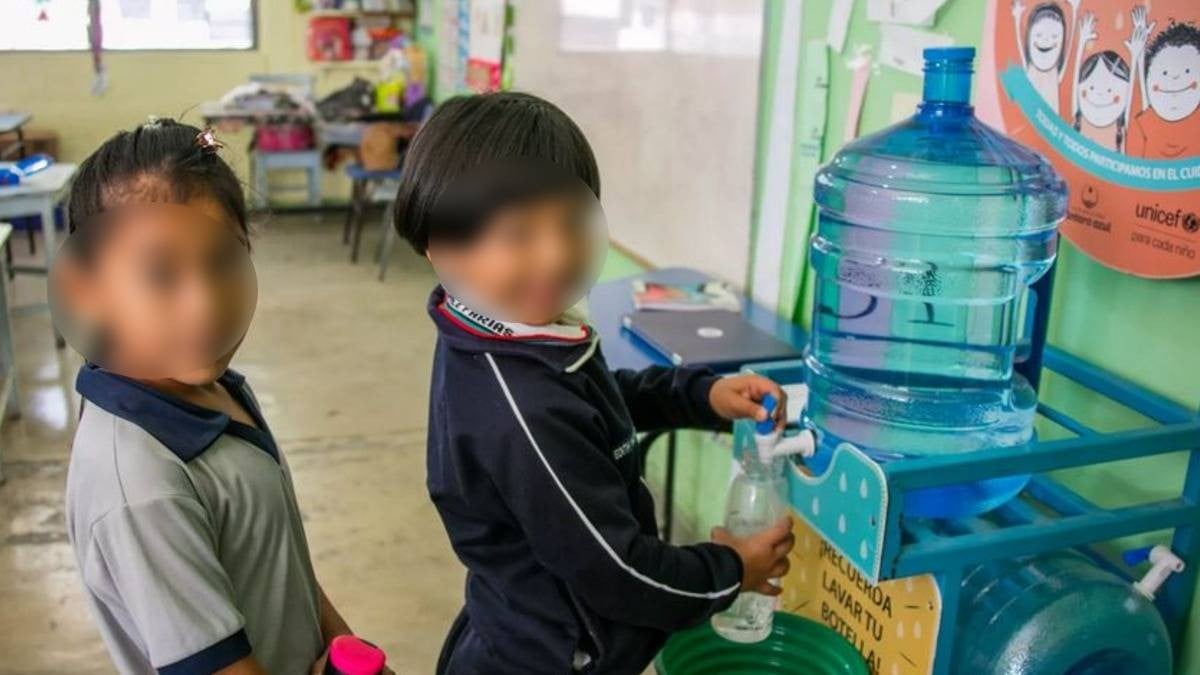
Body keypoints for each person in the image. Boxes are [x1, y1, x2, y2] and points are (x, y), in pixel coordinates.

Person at [393, 92, 796, 675]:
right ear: (440, 245)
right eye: (519, 233)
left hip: (529, 622)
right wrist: (732, 571)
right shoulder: (522, 407)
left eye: (571, 222)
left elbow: (592, 401)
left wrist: (700, 397)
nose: (557, 254)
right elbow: (617, 570)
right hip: (556, 658)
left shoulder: (499, 330)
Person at [61, 119, 380, 675]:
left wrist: (347, 651)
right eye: (160, 275)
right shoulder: (142, 487)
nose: (205, 305)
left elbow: (282, 567)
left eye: (224, 260)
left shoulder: (218, 390)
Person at [1070, 8, 1150, 153]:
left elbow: (1130, 98)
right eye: (1091, 88)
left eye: (1110, 91)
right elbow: (1075, 80)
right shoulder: (1078, 119)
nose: (1100, 95)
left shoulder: (1120, 127)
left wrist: (1137, 56)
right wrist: (1081, 42)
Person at [1128, 19, 1200, 158]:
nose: (1175, 78)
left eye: (1187, 71)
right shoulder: (1145, 122)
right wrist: (1138, 56)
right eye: (1164, 73)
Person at [1012, 0, 1081, 115]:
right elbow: (1019, 46)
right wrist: (1017, 18)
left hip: (1049, 122)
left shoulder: (1056, 73)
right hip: (1026, 118)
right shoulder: (1029, 68)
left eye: (1054, 36)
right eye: (1039, 35)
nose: (1046, 40)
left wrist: (1075, 11)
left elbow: (1069, 52)